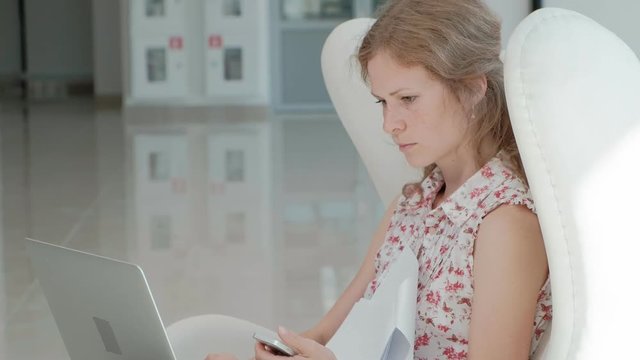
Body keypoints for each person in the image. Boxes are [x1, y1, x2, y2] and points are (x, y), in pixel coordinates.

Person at [206, 0, 552, 359]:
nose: (390, 124)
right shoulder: (412, 205)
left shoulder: (505, 224)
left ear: (472, 89)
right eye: (383, 102)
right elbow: (325, 333)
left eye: (407, 98)